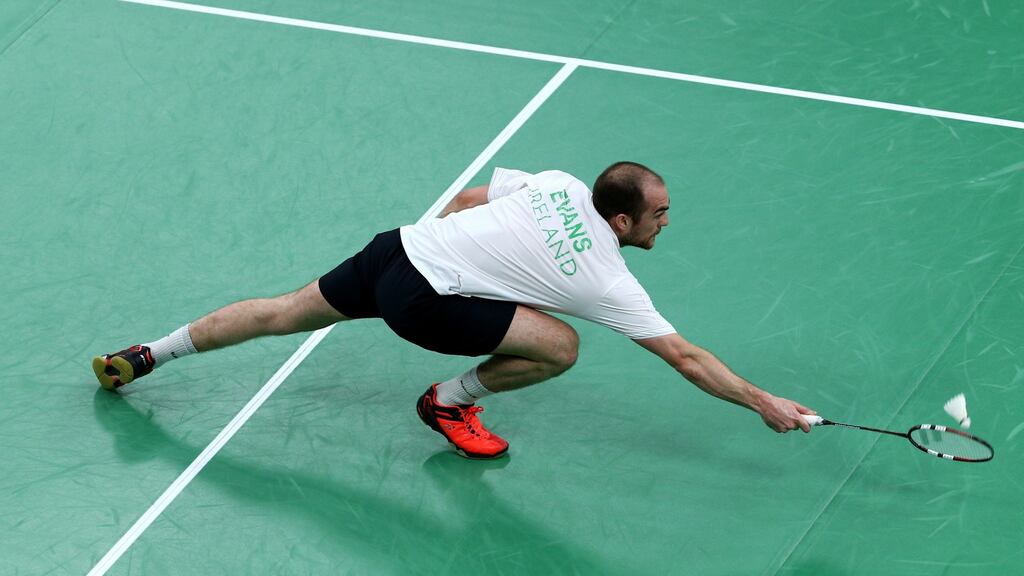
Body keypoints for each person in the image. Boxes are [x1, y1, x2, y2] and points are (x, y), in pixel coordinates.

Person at [93, 161, 816, 460]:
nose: (667, 221)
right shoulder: (608, 281)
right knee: (562, 346)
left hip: (396, 250)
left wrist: (450, 253)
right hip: (423, 295)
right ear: (621, 224)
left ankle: (148, 353)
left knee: (284, 309)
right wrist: (761, 402)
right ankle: (448, 403)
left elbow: (470, 199)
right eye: (659, 214)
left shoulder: (561, 184)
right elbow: (684, 357)